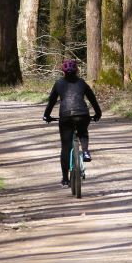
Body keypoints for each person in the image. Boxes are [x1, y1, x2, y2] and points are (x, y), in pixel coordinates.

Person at [43, 59, 102, 187]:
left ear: (62, 71)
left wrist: (46, 115)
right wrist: (98, 113)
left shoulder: (58, 84)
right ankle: (85, 151)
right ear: (77, 70)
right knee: (83, 132)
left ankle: (65, 179)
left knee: (65, 146)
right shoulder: (82, 83)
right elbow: (92, 99)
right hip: (82, 114)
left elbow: (51, 102)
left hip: (65, 117)